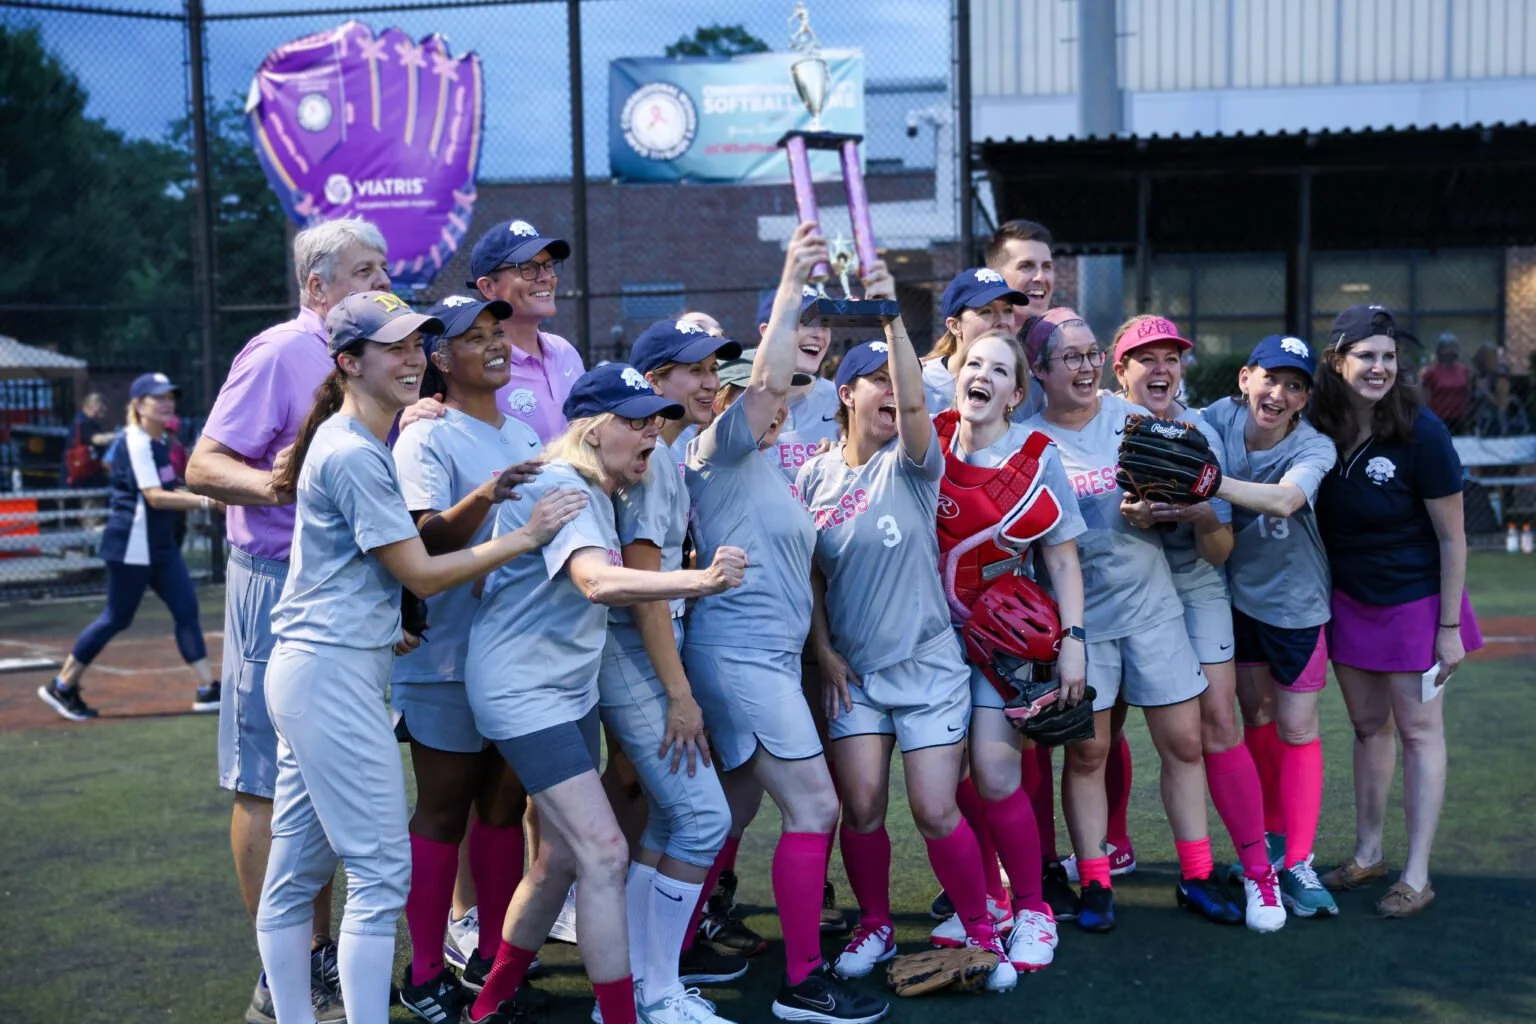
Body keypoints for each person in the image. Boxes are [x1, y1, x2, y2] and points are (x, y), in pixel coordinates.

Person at [252, 291, 588, 1024]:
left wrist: (396, 613)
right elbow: (424, 571)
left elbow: (381, 573)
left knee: (297, 875)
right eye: (395, 347)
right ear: (349, 362)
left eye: (416, 346)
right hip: (331, 673)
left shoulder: (356, 442)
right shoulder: (355, 451)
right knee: (378, 874)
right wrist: (525, 536)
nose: (412, 359)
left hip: (325, 667)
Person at [460, 364, 748, 1024]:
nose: (653, 429)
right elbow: (596, 581)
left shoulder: (585, 483)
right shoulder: (568, 485)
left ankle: (489, 1004)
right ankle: (623, 1014)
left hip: (560, 689)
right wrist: (698, 582)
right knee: (606, 851)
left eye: (655, 419)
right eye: (636, 419)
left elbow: (495, 583)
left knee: (563, 853)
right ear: (592, 431)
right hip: (527, 694)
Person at [683, 224, 890, 1024]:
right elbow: (771, 380)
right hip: (740, 661)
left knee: (721, 817)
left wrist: (822, 648)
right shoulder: (720, 450)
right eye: (741, 386)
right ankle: (804, 981)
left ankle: (668, 954)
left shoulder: (769, 459)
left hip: (767, 659)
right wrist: (790, 278)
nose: (774, 399)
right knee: (815, 810)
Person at [188, 216, 389, 1024]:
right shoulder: (280, 352)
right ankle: (285, 974)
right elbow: (203, 465)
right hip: (274, 581)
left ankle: (319, 965)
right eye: (366, 270)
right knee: (264, 778)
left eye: (382, 267)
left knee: (324, 774)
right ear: (319, 286)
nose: (382, 280)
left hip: (349, 586)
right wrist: (278, 485)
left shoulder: (376, 353)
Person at [798, 316, 1017, 990]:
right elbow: (810, 578)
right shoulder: (814, 478)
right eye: (877, 382)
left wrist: (893, 322)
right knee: (860, 805)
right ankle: (875, 923)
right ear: (845, 394)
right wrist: (825, 653)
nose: (893, 392)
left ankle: (982, 935)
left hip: (928, 671)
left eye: (899, 383)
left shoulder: (917, 463)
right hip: (854, 676)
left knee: (934, 808)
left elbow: (918, 405)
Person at [1020, 309, 1222, 933]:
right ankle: (1095, 880)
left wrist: (1167, 508)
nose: (1084, 367)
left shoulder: (1133, 419)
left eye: (1090, 355)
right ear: (1039, 371)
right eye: (1069, 358)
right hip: (1081, 623)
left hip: (1153, 607)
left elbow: (1190, 494)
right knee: (1088, 753)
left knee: (1185, 744)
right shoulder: (1026, 442)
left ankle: (1198, 876)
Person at [388, 294, 549, 1021]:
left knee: (504, 804)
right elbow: (425, 545)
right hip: (447, 656)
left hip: (518, 655)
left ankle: (490, 963)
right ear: (439, 360)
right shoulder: (424, 437)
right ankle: (423, 974)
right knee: (444, 810)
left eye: (496, 332)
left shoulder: (524, 432)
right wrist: (486, 497)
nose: (495, 344)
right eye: (472, 337)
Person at [1116, 321, 1304, 932]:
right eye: (1146, 358)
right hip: (1117, 588)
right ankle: (1082, 865)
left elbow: (1220, 549)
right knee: (1096, 738)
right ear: (1121, 370)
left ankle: (1258, 875)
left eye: (1171, 357)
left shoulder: (1199, 433)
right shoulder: (1095, 429)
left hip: (1193, 581)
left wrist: (1200, 512)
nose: (1161, 368)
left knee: (1218, 727)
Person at [1310, 304, 1484, 918]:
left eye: (1389, 357)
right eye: (1367, 356)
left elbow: (1452, 538)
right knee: (1365, 727)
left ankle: (1416, 873)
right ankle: (1367, 853)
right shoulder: (1319, 424)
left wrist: (1448, 629)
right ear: (1338, 361)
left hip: (1417, 604)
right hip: (1349, 602)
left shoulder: (1423, 431)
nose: (1380, 367)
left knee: (1418, 731)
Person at [600, 315, 747, 1023]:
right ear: (654, 385)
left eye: (715, 367)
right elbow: (646, 597)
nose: (711, 380)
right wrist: (679, 696)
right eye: (694, 370)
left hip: (632, 653)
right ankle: (648, 992)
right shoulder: (653, 463)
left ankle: (639, 990)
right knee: (700, 820)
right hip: (629, 654)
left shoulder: (665, 454)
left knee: (670, 823)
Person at [929, 323, 1088, 967]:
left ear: (1016, 392)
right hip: (922, 641)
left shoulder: (1038, 456)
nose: (983, 376)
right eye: (974, 363)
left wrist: (1074, 641)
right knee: (944, 782)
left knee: (996, 775)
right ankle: (984, 900)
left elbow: (1065, 559)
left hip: (997, 642)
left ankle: (1032, 909)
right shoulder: (928, 439)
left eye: (999, 370)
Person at [37, 373, 223, 720]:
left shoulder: (161, 443)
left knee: (186, 609)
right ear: (138, 405)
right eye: (158, 398)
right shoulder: (135, 441)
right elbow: (154, 498)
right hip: (131, 546)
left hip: (160, 546)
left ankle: (207, 687)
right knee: (117, 618)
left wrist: (209, 496)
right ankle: (62, 686)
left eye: (170, 397)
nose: (167, 403)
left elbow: (169, 491)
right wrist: (207, 503)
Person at [920, 267, 1027, 414]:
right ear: (955, 326)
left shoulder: (1026, 384)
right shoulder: (922, 382)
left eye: (1008, 310)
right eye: (986, 311)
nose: (1002, 321)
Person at [1417, 333, 1471, 433]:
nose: (1450, 351)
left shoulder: (1464, 371)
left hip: (1459, 418)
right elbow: (1423, 395)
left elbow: (1468, 393)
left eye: (1453, 347)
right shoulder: (1431, 372)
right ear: (1439, 350)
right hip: (1438, 417)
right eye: (1446, 348)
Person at [63, 392, 114, 488]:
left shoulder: (81, 421)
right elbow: (97, 439)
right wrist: (117, 436)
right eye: (102, 406)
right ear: (95, 405)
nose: (105, 410)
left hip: (83, 476)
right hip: (84, 479)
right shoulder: (84, 423)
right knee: (93, 502)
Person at [1473, 371, 1531, 437]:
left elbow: (1525, 427)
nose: (1502, 386)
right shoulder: (1486, 407)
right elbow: (1481, 429)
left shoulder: (1514, 402)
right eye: (1500, 382)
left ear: (1509, 385)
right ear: (1495, 385)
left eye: (1505, 383)